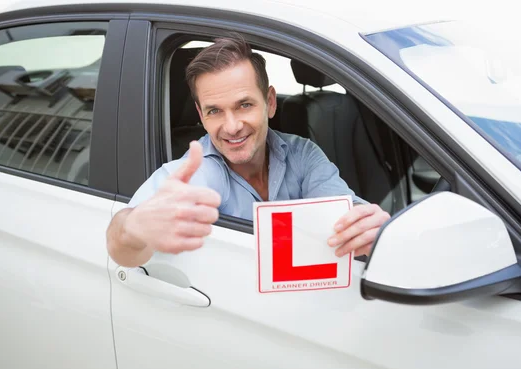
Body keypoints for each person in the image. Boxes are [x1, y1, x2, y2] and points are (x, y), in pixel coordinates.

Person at [106, 34, 391, 267]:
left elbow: (346, 215)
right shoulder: (189, 176)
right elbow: (121, 250)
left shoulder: (303, 154)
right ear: (201, 114)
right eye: (215, 111)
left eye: (244, 105)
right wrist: (133, 227)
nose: (231, 127)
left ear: (269, 102)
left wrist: (373, 230)